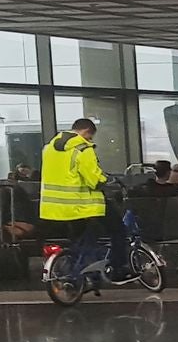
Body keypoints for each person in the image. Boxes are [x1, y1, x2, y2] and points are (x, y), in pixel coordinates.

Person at [40, 116, 129, 279]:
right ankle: (119, 269)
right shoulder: (83, 149)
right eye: (90, 136)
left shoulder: (49, 149)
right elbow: (93, 179)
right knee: (118, 229)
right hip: (83, 205)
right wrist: (107, 179)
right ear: (87, 131)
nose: (89, 140)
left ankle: (80, 271)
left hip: (56, 207)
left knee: (80, 240)